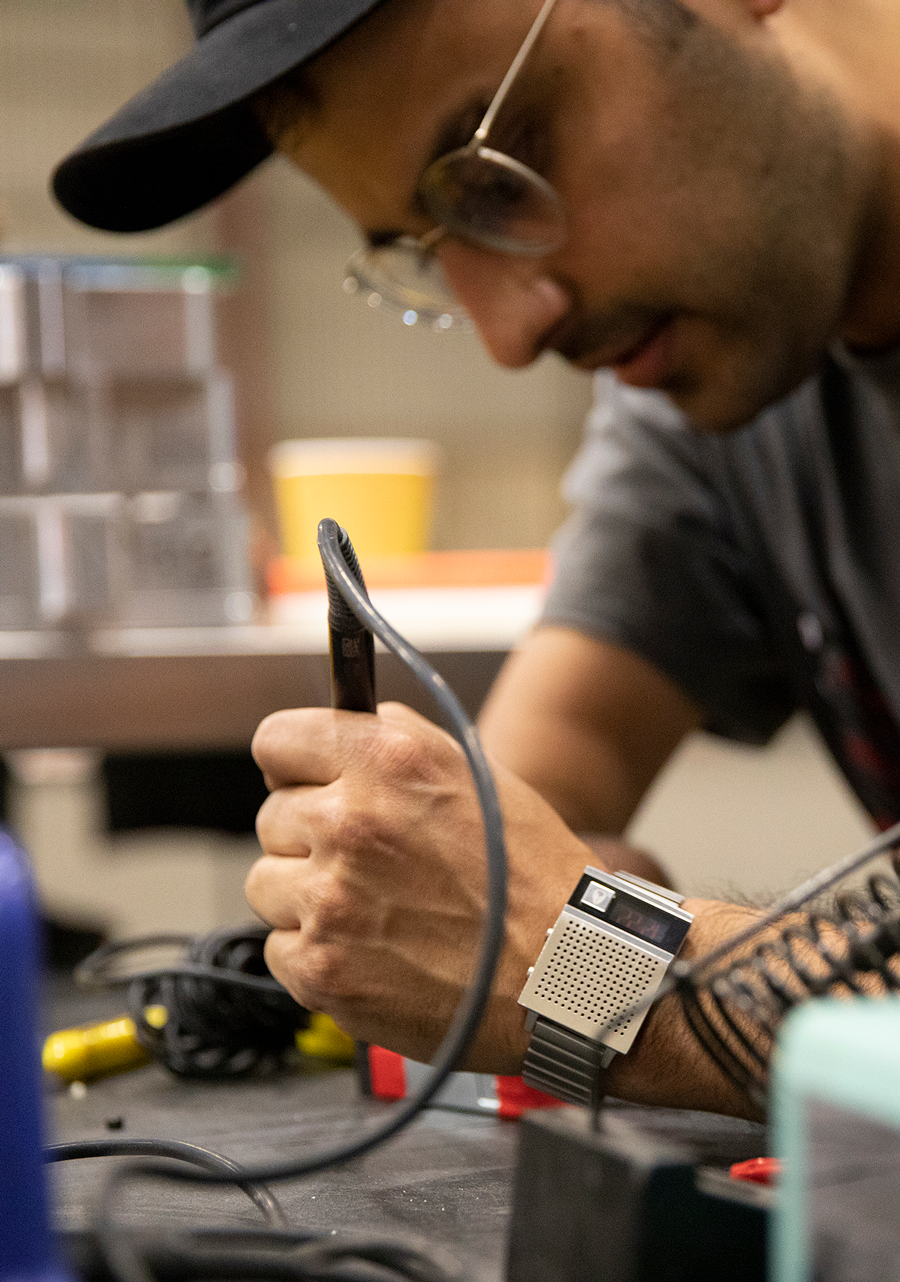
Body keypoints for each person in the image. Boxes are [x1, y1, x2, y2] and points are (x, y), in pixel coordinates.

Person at [52, 0, 900, 1118]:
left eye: (499, 177)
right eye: (422, 247)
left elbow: (530, 940)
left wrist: (586, 968)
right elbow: (516, 828)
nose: (509, 334)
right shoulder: (719, 373)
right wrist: (458, 899)